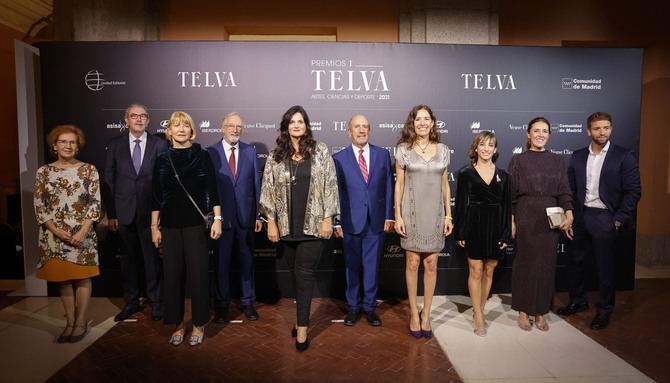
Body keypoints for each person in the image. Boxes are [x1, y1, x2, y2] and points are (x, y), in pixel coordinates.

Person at [259, 105, 339, 352]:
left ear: (306, 126)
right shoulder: (275, 155)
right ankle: (299, 318)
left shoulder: (320, 150)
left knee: (304, 275)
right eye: (292, 122)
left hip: (314, 226)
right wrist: (270, 220)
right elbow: (267, 189)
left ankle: (302, 330)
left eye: (301, 121)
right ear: (286, 126)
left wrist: (328, 218)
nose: (296, 125)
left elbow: (331, 184)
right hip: (285, 227)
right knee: (295, 276)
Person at [558, 112, 641, 330]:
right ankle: (578, 301)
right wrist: (570, 216)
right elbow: (571, 189)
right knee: (575, 262)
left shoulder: (624, 155)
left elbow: (633, 192)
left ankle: (604, 311)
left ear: (611, 129)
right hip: (580, 215)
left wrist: (617, 220)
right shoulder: (577, 156)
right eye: (597, 128)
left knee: (605, 268)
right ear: (589, 131)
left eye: (606, 127)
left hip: (606, 217)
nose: (602, 132)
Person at [151, 111, 222, 347]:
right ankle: (178, 324)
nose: (181, 129)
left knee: (199, 276)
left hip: (195, 226)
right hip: (169, 226)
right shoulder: (161, 159)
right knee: (172, 277)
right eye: (176, 125)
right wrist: (155, 227)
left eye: (186, 125)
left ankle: (200, 324)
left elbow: (212, 189)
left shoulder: (202, 155)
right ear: (169, 131)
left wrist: (218, 218)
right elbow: (155, 197)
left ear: (192, 130)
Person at [34, 125, 101, 343]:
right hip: (54, 236)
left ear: (78, 145)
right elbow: (40, 206)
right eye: (63, 141)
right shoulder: (44, 172)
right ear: (55, 146)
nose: (68, 145)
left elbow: (95, 204)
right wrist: (55, 230)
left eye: (72, 142)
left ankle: (80, 322)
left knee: (82, 278)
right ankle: (69, 322)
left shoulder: (89, 170)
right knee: (63, 280)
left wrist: (82, 232)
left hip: (83, 235)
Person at [508, 117, 573, 332]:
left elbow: (564, 190)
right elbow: (511, 195)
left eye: (545, 131)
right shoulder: (518, 160)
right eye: (536, 130)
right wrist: (513, 219)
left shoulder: (556, 161)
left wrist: (569, 213)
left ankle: (541, 311)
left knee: (546, 265)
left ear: (549, 134)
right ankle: (523, 311)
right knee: (525, 263)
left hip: (551, 218)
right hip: (526, 215)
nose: (540, 134)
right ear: (528, 134)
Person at [104, 103, 168, 322]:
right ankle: (131, 302)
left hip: (151, 214)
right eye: (134, 116)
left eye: (143, 116)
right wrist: (112, 214)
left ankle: (156, 302)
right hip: (123, 213)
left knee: (152, 260)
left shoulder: (160, 144)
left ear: (148, 120)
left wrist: (160, 216)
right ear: (126, 120)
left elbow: (163, 181)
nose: (139, 119)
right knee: (128, 261)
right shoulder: (115, 145)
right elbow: (109, 181)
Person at [394, 104, 452, 339]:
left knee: (431, 265)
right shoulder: (402, 150)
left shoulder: (444, 150)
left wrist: (449, 214)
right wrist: (397, 214)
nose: (422, 123)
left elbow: (445, 184)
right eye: (418, 119)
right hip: (411, 213)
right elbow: (399, 184)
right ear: (412, 123)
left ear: (432, 123)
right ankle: (413, 314)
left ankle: (426, 313)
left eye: (426, 119)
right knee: (411, 263)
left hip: (436, 214)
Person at [333, 114, 394, 327]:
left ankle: (369, 308)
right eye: (357, 127)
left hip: (376, 221)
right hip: (350, 221)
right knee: (351, 267)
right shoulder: (339, 158)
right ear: (349, 131)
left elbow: (388, 186)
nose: (361, 130)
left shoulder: (382, 155)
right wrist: (337, 222)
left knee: (371, 267)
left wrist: (389, 215)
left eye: (365, 127)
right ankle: (353, 308)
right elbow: (337, 193)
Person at [207, 112, 263, 323]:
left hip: (246, 218)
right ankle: (221, 306)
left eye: (239, 126)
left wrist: (258, 215)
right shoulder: (210, 152)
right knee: (221, 263)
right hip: (222, 220)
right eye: (231, 125)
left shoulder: (250, 151)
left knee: (247, 262)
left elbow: (256, 186)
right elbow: (208, 189)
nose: (235, 129)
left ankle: (247, 302)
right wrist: (214, 218)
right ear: (222, 127)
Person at [454, 131, 511, 337]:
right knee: (475, 270)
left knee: (489, 270)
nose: (486, 148)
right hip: (473, 225)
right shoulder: (465, 174)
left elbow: (506, 208)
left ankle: (482, 308)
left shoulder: (504, 176)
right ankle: (478, 315)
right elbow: (460, 205)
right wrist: (460, 230)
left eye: (491, 145)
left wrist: (505, 234)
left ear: (495, 150)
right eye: (483, 144)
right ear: (476, 147)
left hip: (496, 225)